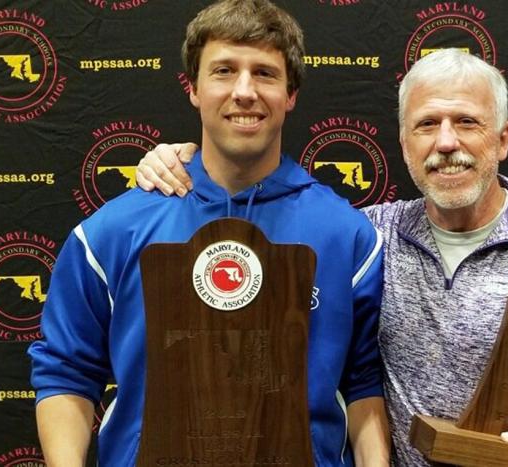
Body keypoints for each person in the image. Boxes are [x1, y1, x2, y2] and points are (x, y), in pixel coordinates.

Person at [138, 49, 508, 466]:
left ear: (503, 140)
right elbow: (255, 248)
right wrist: (184, 163)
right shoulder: (366, 235)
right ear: (405, 144)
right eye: (427, 125)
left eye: (467, 123)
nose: (447, 142)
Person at [28, 1, 389, 466]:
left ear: (291, 94)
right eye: (223, 70)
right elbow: (67, 372)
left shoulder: (348, 236)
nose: (244, 91)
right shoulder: (113, 232)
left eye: (264, 73)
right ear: (193, 88)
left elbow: (363, 383)